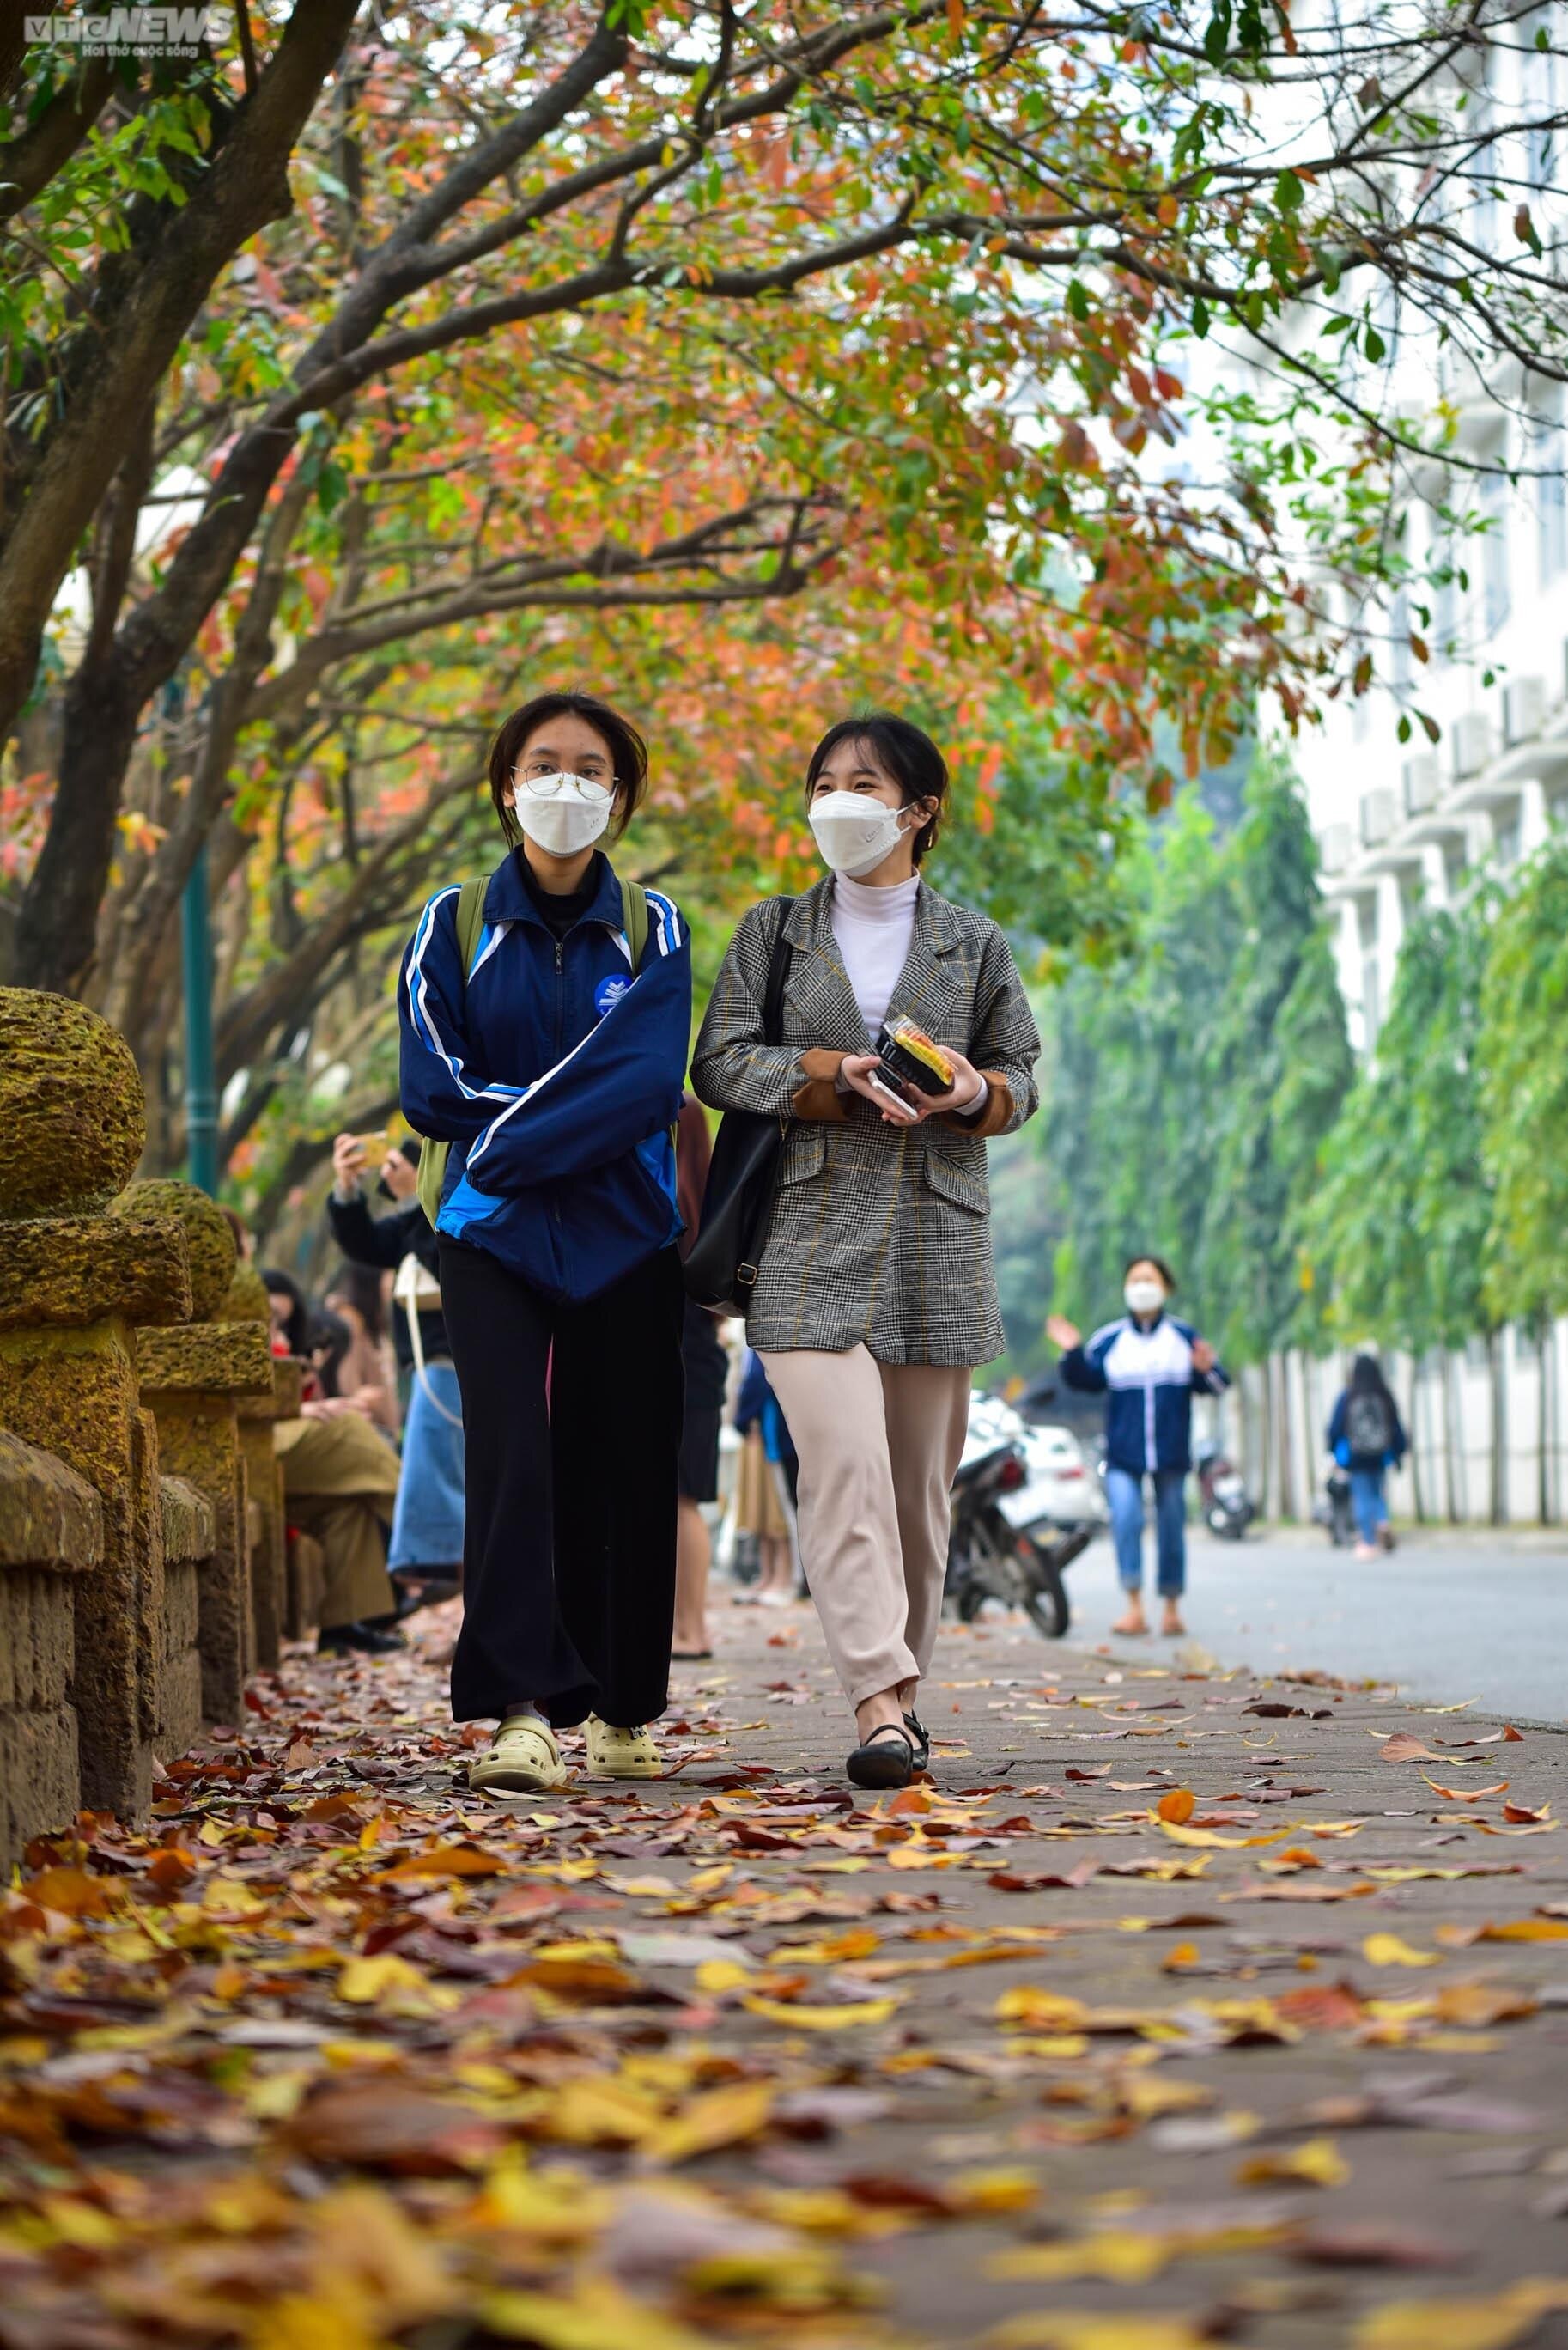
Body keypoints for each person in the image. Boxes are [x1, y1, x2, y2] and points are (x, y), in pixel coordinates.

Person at [691, 711, 1040, 1788]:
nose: (837, 800)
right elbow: (718, 1065)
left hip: (936, 1231)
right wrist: (830, 1070)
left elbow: (1019, 1077)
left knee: (916, 1500)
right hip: (802, 1231)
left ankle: (904, 1699)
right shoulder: (771, 932)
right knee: (838, 1469)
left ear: (917, 809)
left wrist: (971, 1090)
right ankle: (877, 1706)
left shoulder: (974, 943)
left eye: (863, 782)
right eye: (822, 782)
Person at [398, 687, 690, 1793]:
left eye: (589, 767)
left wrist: (511, 1127)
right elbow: (430, 1086)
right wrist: (556, 1128)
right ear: (504, 784)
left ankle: (619, 1708)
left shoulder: (655, 923)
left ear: (618, 797)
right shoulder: (451, 920)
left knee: (623, 1461)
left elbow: (647, 1076)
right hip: (488, 1234)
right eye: (542, 762)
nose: (564, 783)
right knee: (511, 1457)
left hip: (628, 1233)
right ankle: (520, 1711)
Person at [1048, 1256, 1229, 1639]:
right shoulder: (1112, 1340)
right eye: (1134, 1279)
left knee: (1171, 1527)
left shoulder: (1182, 1338)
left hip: (1171, 1454)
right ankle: (1133, 1607)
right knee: (1127, 1519)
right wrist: (1071, 1351)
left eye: (1148, 1278)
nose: (1141, 1285)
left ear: (1165, 1288)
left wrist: (1205, 1369)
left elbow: (1216, 1385)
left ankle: (1171, 1607)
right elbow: (1085, 1379)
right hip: (1124, 1456)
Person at [327, 1132, 463, 1609]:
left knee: (437, 1465)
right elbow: (363, 1243)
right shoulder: (409, 1223)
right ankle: (436, 1565)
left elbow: (447, 1260)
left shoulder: (452, 1207)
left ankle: (435, 1561)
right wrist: (348, 1189)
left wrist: (414, 1198)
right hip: (428, 1365)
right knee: (437, 1464)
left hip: (453, 1361)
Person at [672, 1097, 727, 1660]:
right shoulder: (710, 1212)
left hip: (681, 1361)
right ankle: (689, 1626)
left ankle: (689, 1630)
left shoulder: (662, 1211)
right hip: (705, 1361)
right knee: (685, 1500)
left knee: (678, 1500)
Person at [730, 1349, 798, 1606]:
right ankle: (770, 1575)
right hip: (764, 1435)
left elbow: (757, 1381)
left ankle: (788, 1578)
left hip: (775, 1434)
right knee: (763, 1510)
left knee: (781, 1513)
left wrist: (742, 1418)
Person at [1328, 1353, 1407, 1560]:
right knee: (1378, 1493)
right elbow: (1396, 1428)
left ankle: (1369, 1543)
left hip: (1356, 1457)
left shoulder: (1349, 1396)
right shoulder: (1384, 1395)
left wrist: (1333, 1452)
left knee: (1362, 1497)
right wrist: (1399, 1453)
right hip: (1379, 1455)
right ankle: (1383, 1521)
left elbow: (1335, 1428)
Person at [322, 1262, 400, 1435]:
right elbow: (346, 1382)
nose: (391, 1282)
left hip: (381, 1429)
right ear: (371, 1280)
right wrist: (357, 1399)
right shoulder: (350, 1323)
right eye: (387, 1276)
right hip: (367, 1429)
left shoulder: (374, 1323)